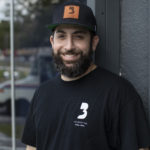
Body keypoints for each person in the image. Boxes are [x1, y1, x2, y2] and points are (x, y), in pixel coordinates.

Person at [22, 1, 150, 150]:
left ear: (93, 43)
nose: (69, 46)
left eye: (79, 37)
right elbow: (32, 147)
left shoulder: (119, 93)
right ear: (52, 42)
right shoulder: (42, 94)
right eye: (62, 36)